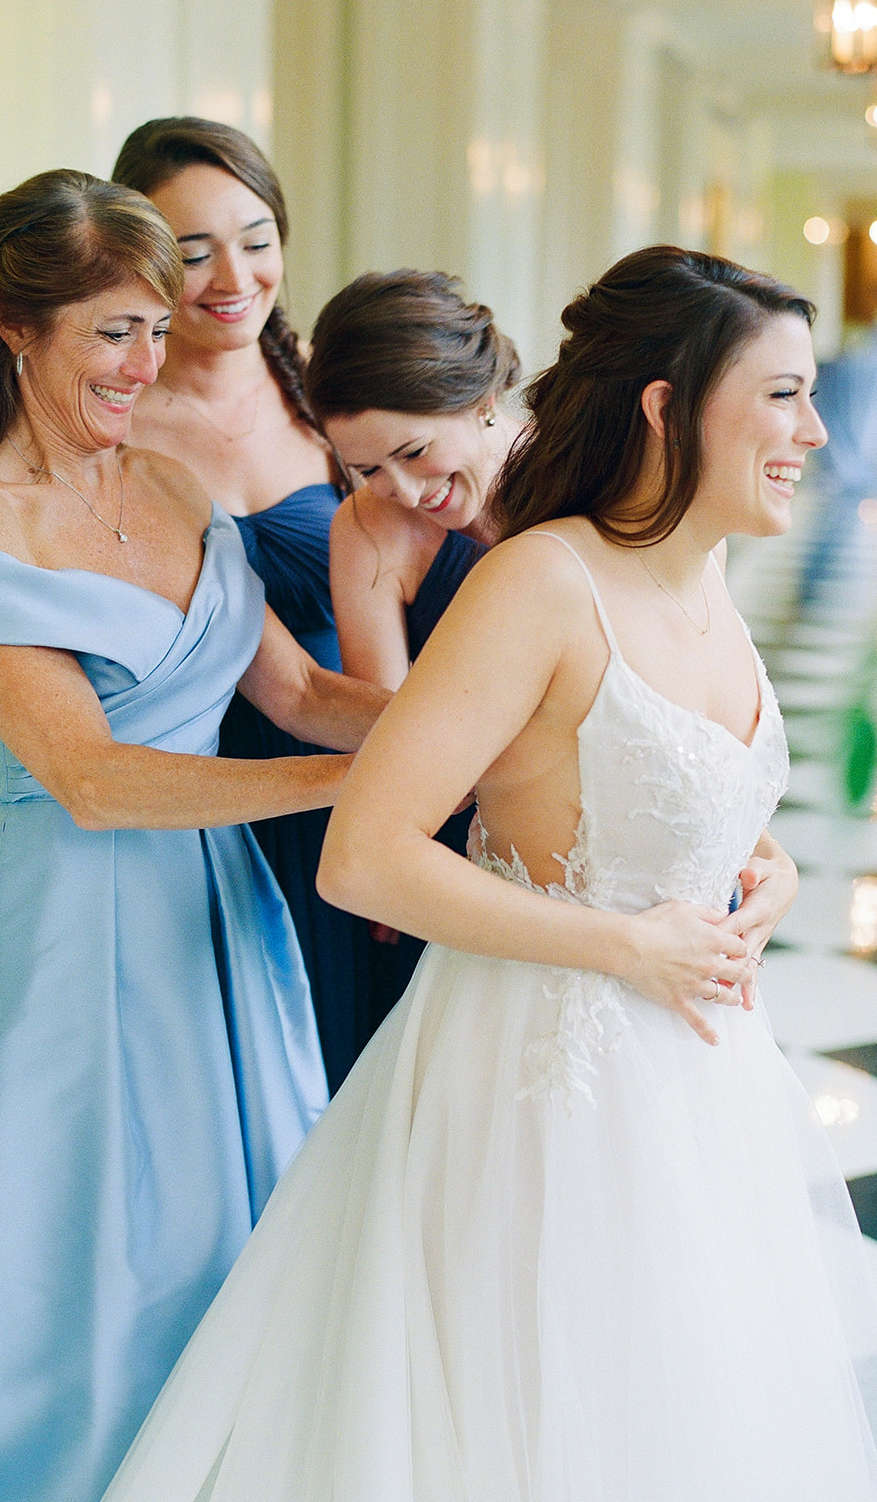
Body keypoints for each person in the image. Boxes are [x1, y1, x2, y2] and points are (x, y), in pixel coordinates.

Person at [102, 248, 877, 1502]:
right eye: (782, 394)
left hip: (694, 1078)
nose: (815, 428)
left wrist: (764, 868)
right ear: (667, 406)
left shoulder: (702, 570)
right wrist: (626, 944)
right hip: (540, 1080)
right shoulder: (536, 580)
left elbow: (660, 785)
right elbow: (365, 855)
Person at [0, 169, 387, 1502]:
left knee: (220, 1239)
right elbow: (91, 779)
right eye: (111, 332)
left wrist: (488, 728)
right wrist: (354, 790)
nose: (145, 364)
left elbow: (301, 693)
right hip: (61, 940)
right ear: (12, 327)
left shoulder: (173, 485)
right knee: (68, 1273)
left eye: (155, 328)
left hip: (214, 921)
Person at [113, 117, 377, 1091]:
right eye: (193, 253)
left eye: (256, 241)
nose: (233, 278)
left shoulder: (328, 385)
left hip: (359, 735)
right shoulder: (114, 423)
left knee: (365, 1055)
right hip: (205, 788)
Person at [305, 269, 521, 1005]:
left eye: (415, 451)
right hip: (449, 834)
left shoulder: (587, 480)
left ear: (481, 401)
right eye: (367, 468)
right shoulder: (367, 528)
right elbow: (392, 728)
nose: (402, 490)